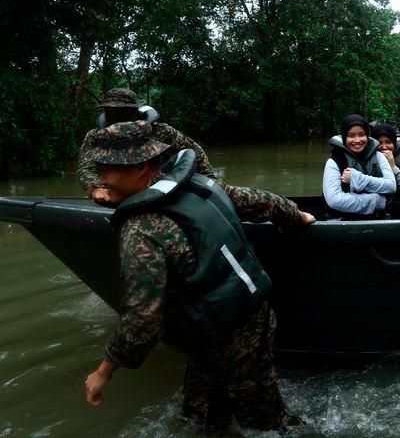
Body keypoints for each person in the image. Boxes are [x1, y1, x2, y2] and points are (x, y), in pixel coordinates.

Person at [81, 121, 316, 432]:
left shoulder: (141, 230)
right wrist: (298, 215)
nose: (101, 178)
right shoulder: (201, 184)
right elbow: (260, 201)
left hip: (230, 343)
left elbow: (142, 323)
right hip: (253, 319)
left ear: (141, 169)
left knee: (270, 425)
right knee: (199, 414)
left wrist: (104, 371)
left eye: (108, 169)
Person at [77, 88, 215, 205]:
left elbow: (195, 152)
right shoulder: (96, 136)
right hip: (115, 192)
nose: (116, 116)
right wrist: (95, 188)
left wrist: (210, 181)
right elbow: (85, 166)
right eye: (110, 111)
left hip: (158, 189)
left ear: (135, 111)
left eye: (121, 112)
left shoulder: (160, 131)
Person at [322, 114, 396, 219]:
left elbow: (391, 186)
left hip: (375, 218)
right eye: (351, 135)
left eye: (361, 134)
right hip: (342, 221)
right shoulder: (334, 162)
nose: (357, 140)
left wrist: (356, 178)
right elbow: (334, 200)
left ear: (367, 136)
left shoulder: (378, 156)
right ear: (344, 137)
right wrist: (376, 200)